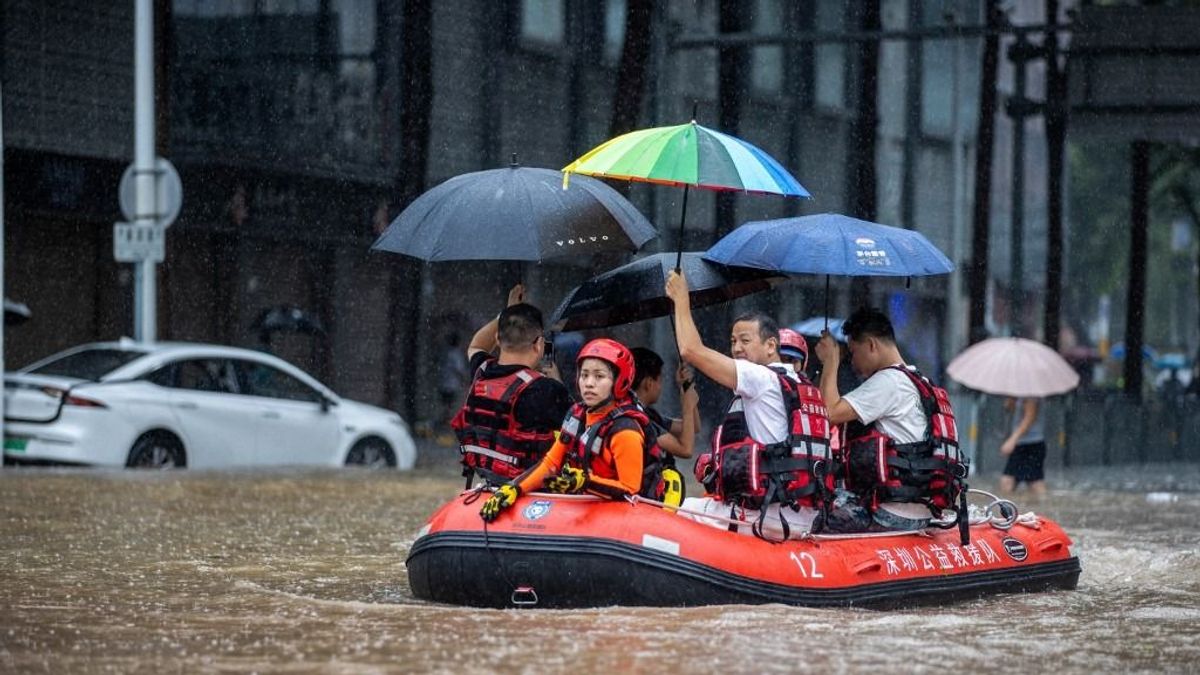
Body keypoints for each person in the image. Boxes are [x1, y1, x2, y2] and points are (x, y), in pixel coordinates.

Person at [665, 271, 833, 540]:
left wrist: (681, 299)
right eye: (733, 342)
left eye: (745, 340)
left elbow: (690, 350)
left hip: (770, 517)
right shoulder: (800, 384)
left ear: (771, 345)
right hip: (804, 513)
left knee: (676, 508)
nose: (737, 349)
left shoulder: (761, 377)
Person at [480, 338, 667, 522]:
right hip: (589, 504)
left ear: (619, 381)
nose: (589, 383)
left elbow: (630, 489)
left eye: (599, 376)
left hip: (626, 515)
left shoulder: (625, 431)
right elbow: (551, 463)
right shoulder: (577, 415)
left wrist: (585, 481)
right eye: (584, 375)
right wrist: (514, 488)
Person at [815, 307, 963, 532]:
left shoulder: (888, 382)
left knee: (816, 517)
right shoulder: (918, 379)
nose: (852, 363)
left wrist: (830, 361)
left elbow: (828, 415)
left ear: (872, 345)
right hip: (920, 508)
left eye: (853, 352)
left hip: (891, 513)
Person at [452, 284, 570, 488]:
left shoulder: (482, 372)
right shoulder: (548, 389)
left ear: (497, 338)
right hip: (530, 489)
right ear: (539, 344)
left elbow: (477, 345)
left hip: (488, 479)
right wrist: (555, 377)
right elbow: (575, 430)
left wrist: (505, 313)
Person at [631, 347, 700, 460]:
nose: (660, 387)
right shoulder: (638, 418)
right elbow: (685, 449)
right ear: (649, 383)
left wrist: (686, 387)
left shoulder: (648, 413)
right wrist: (687, 407)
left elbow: (693, 427)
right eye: (660, 380)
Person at [999, 397, 1046, 498]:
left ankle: (1044, 508)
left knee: (1033, 482)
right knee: (1032, 482)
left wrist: (1012, 440)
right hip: (1023, 444)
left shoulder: (1030, 394)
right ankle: (1039, 506)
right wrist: (1011, 402)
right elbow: (1017, 413)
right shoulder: (1021, 394)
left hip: (1031, 444)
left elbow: (1029, 418)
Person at [436, 332, 469, 445]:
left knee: (446, 406)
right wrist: (465, 380)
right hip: (451, 384)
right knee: (450, 407)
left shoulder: (446, 353)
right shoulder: (455, 354)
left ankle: (444, 426)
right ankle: (446, 428)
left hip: (443, 383)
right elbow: (458, 369)